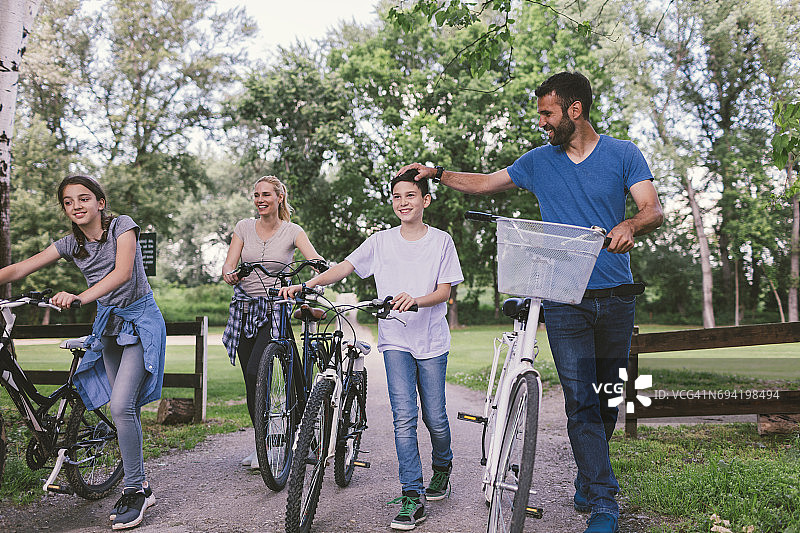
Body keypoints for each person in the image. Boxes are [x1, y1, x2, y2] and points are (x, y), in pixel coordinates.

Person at [397, 71, 664, 533]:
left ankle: (589, 476)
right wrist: (437, 173)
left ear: (574, 110)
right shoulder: (540, 161)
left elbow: (653, 209)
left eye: (547, 113)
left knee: (608, 399)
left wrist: (631, 226)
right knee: (580, 398)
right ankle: (603, 501)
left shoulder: (623, 153)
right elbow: (483, 183)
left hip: (617, 297)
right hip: (564, 299)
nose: (541, 122)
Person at [281, 169, 463, 531]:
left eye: (410, 195)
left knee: (436, 417)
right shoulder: (380, 241)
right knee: (403, 418)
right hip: (395, 339)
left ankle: (442, 465)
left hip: (431, 340)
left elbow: (445, 292)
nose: (402, 202)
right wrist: (309, 283)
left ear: (425, 200)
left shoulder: (441, 241)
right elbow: (345, 268)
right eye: (397, 196)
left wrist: (416, 301)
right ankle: (413, 495)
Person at [0, 175, 165, 530]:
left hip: (140, 321)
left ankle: (137, 490)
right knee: (120, 408)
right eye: (68, 202)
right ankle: (135, 479)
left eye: (84, 198)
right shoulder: (71, 244)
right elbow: (18, 269)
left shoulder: (123, 227)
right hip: (108, 325)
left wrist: (79, 296)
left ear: (100, 202)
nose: (76, 206)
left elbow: (122, 273)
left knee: (123, 405)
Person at [221, 175, 323, 470]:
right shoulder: (243, 228)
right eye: (256, 195)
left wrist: (319, 268)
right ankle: (262, 446)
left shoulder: (293, 231)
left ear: (279, 197)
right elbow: (229, 263)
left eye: (266, 194)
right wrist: (230, 272)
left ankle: (307, 440)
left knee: (259, 369)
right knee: (251, 380)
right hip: (243, 308)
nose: (260, 200)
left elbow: (314, 258)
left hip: (275, 307)